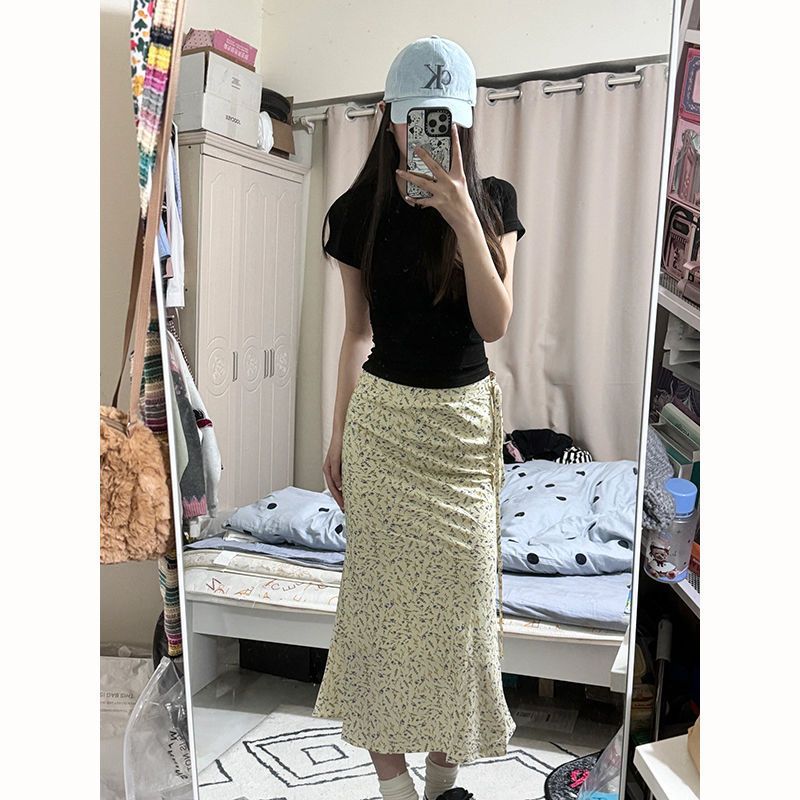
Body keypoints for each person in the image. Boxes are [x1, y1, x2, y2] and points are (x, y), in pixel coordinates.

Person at [311, 35, 526, 800]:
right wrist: (337, 434)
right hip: (385, 432)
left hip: (464, 438)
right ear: (387, 115)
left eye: (446, 119)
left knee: (464, 619)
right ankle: (396, 791)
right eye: (416, 118)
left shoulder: (493, 201)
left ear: (464, 119)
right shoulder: (354, 213)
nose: (430, 132)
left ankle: (443, 786)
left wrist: (466, 218)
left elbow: (495, 324)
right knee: (377, 616)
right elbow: (356, 334)